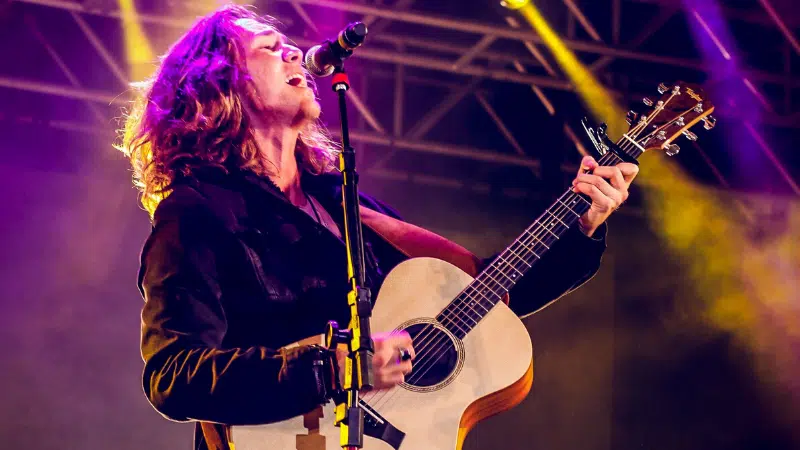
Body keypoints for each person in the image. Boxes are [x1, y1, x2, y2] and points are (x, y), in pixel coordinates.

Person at [117, 5, 638, 450]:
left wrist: (582, 222)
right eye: (271, 48)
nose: (295, 53)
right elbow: (173, 374)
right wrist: (333, 369)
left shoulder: (343, 205)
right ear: (219, 83)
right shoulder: (198, 212)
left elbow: (480, 299)